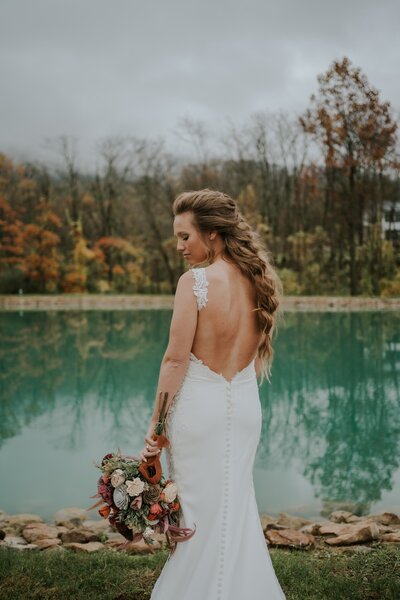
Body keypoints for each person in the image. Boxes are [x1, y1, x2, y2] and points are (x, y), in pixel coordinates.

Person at [139, 189, 286, 600]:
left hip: (200, 413)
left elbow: (174, 361)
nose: (180, 246)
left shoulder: (196, 282)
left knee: (198, 512)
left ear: (214, 234)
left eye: (186, 236)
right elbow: (253, 360)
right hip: (244, 409)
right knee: (234, 506)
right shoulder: (260, 281)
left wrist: (155, 430)